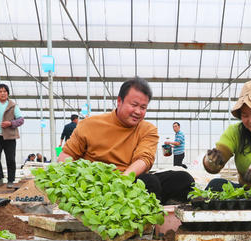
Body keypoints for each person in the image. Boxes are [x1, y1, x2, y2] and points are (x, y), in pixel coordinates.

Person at [58, 77, 194, 204]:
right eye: (134, 105)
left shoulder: (148, 129)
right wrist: (77, 180)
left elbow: (144, 159)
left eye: (143, 107)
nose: (138, 111)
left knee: (183, 179)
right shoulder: (89, 124)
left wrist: (122, 181)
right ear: (119, 101)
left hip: (129, 180)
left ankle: (146, 209)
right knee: (151, 184)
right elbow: (66, 155)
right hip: (95, 185)